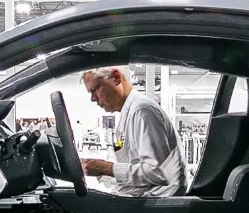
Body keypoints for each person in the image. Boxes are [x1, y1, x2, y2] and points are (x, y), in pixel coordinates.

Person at [78, 67, 186, 197]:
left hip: (156, 204)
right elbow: (124, 162)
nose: (93, 99)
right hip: (140, 197)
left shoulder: (142, 112)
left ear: (116, 77)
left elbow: (157, 172)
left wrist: (107, 168)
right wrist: (99, 172)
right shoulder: (125, 118)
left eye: (95, 89)